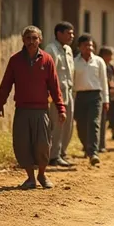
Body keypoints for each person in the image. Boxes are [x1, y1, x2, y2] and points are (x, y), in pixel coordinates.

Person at [0, 26, 66, 190]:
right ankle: (30, 178)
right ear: (23, 40)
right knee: (23, 144)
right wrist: (0, 103)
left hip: (41, 110)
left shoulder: (47, 59)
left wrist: (61, 108)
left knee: (43, 144)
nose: (31, 42)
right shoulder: (15, 60)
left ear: (40, 40)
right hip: (22, 110)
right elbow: (6, 83)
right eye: (28, 38)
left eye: (34, 38)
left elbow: (54, 87)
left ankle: (42, 174)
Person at [73, 34, 110, 165]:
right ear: (79, 47)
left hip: (96, 96)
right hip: (80, 97)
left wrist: (106, 100)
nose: (89, 48)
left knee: (94, 123)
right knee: (81, 125)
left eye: (90, 45)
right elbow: (72, 83)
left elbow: (103, 81)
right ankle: (86, 146)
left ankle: (93, 152)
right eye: (85, 45)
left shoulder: (99, 61)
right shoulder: (74, 62)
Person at [45, 22, 75, 168]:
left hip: (68, 92)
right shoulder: (51, 49)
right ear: (59, 33)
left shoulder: (68, 49)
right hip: (56, 94)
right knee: (57, 124)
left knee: (67, 125)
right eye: (69, 33)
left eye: (72, 33)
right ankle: (53, 156)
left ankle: (62, 152)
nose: (72, 36)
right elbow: (48, 74)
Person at [98, 46, 114, 145]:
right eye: (109, 55)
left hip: (112, 94)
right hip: (103, 93)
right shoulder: (99, 64)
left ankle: (113, 132)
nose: (111, 57)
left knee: (113, 114)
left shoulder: (111, 67)